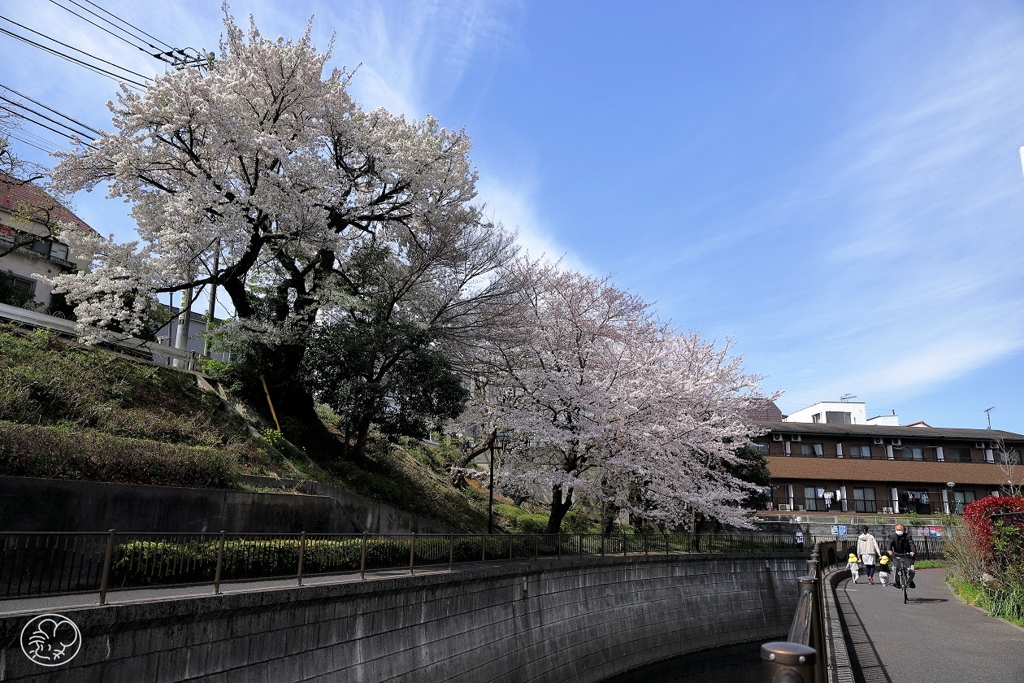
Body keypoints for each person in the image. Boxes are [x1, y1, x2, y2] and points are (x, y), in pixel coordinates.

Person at [887, 523, 917, 589]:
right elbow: (889, 544)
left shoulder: (908, 536)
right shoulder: (892, 536)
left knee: (911, 571)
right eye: (897, 529)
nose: (898, 531)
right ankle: (897, 582)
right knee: (895, 568)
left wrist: (912, 551)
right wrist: (889, 550)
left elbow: (911, 544)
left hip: (907, 555)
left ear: (903, 530)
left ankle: (910, 581)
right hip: (897, 555)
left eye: (900, 529)